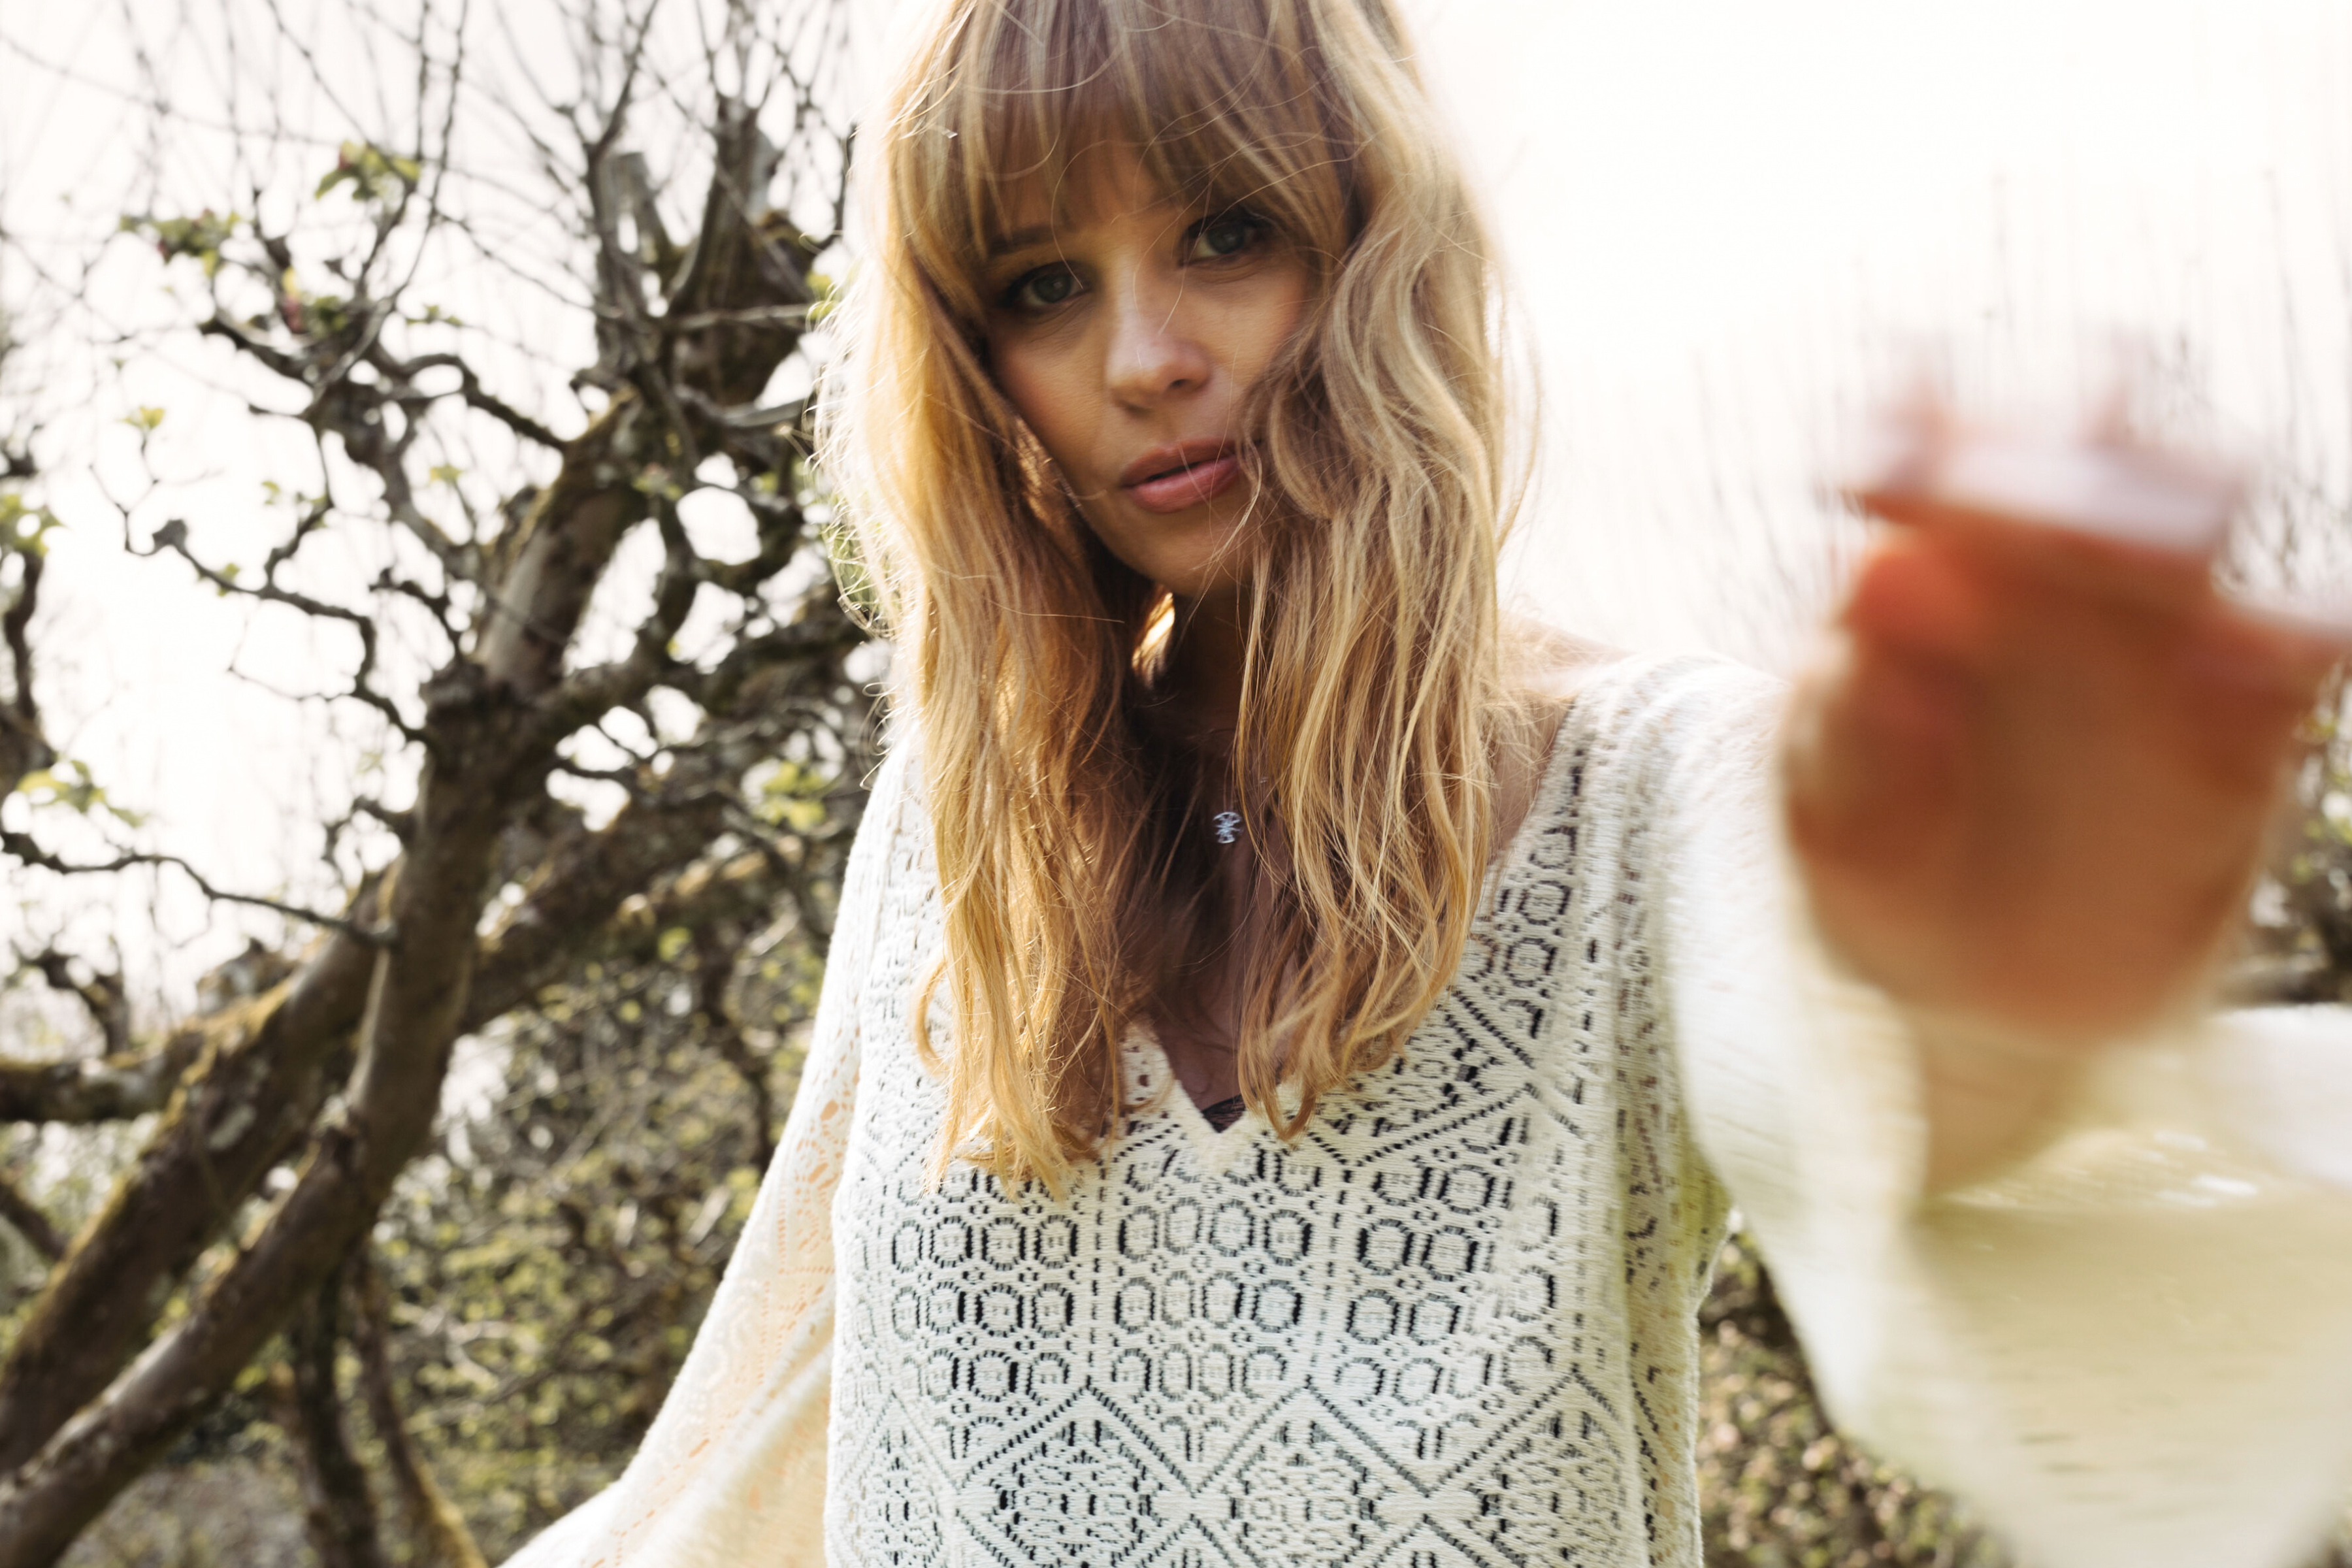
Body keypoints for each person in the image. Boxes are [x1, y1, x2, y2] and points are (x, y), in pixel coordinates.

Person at [506, 1, 2352, 1565]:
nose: (1147, 358)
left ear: (1375, 237)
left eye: (1226, 232)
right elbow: (751, 1443)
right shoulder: (955, 823)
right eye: (1044, 284)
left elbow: (1890, 1116)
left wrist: (2010, 966)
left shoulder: (1650, 791)